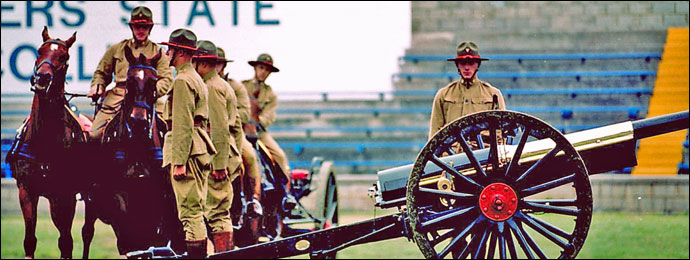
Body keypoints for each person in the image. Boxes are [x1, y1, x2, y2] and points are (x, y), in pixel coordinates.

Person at [160, 28, 216, 258]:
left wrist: (179, 161)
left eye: (170, 49)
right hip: (197, 145)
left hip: (188, 149)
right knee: (195, 209)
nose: (166, 53)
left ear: (180, 52)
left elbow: (182, 123)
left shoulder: (183, 80)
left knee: (190, 212)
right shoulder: (194, 77)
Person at [87, 6, 172, 140]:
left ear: (150, 29)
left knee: (168, 133)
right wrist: (97, 86)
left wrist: (150, 91)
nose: (141, 30)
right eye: (137, 27)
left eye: (145, 27)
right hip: (118, 97)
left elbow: (166, 79)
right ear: (131, 28)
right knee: (95, 135)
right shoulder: (116, 49)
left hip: (149, 98)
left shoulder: (158, 52)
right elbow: (101, 73)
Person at [191, 40, 242, 253]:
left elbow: (219, 129)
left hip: (216, 157)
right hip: (219, 154)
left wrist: (220, 164)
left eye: (194, 61)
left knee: (218, 212)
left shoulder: (211, 88)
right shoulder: (219, 85)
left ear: (202, 63)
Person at [216, 47, 263, 215]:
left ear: (223, 66)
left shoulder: (235, 86)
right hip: (204, 132)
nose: (215, 67)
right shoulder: (200, 83)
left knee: (249, 155)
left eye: (218, 64)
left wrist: (222, 120)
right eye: (212, 63)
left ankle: (254, 199)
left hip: (231, 132)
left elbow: (244, 113)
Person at [429, 41, 506, 140]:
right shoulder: (443, 95)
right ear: (457, 65)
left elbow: (500, 133)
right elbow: (435, 134)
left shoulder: (493, 94)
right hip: (451, 154)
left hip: (481, 153)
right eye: (463, 63)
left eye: (471, 63)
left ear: (478, 64)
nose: (466, 67)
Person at [241, 54, 291, 187]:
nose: (263, 72)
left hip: (260, 132)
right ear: (255, 68)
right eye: (261, 68)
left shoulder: (271, 94)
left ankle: (286, 191)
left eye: (267, 70)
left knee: (279, 155)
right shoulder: (242, 87)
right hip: (239, 129)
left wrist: (256, 123)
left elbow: (269, 115)